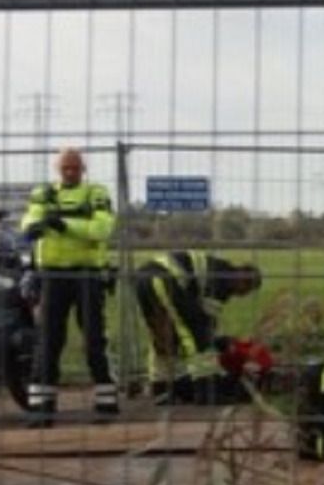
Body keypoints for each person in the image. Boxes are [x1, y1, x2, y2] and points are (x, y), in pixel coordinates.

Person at [22, 147, 117, 420]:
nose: (71, 173)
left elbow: (102, 229)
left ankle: (106, 401)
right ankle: (41, 407)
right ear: (58, 169)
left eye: (75, 168)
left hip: (87, 274)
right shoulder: (44, 193)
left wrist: (63, 225)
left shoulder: (95, 194)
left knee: (94, 339)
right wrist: (33, 226)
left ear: (83, 169)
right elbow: (30, 220)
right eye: (66, 168)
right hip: (52, 275)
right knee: (48, 339)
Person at [134, 251, 263, 403]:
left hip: (143, 278)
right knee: (196, 332)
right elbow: (206, 322)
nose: (241, 296)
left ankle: (161, 388)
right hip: (164, 279)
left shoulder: (220, 270)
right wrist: (220, 343)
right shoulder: (222, 283)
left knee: (162, 335)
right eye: (245, 291)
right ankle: (206, 387)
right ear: (242, 280)